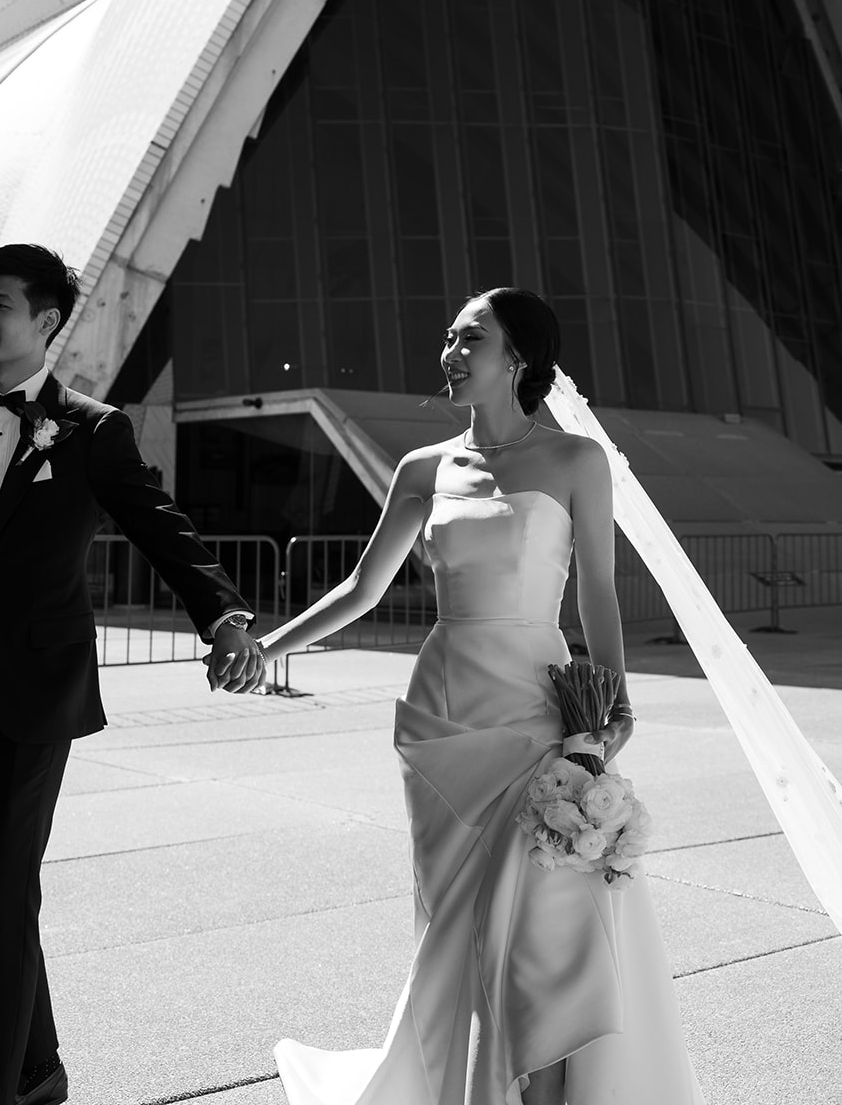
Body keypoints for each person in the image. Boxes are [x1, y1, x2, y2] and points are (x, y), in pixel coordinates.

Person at [258, 287, 704, 1105]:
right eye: (449, 338)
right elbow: (361, 588)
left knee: (545, 912)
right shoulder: (421, 468)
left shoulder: (575, 461)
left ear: (517, 358)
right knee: (458, 920)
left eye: (471, 339)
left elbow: (596, 588)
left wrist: (612, 700)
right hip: (443, 712)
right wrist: (265, 648)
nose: (450, 354)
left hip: (537, 705)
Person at [0, 244, 266, 1105]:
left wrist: (223, 616)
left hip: (34, 695)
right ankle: (39, 1070)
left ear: (47, 320)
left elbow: (158, 523)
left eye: (0, 303)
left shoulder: (94, 430)